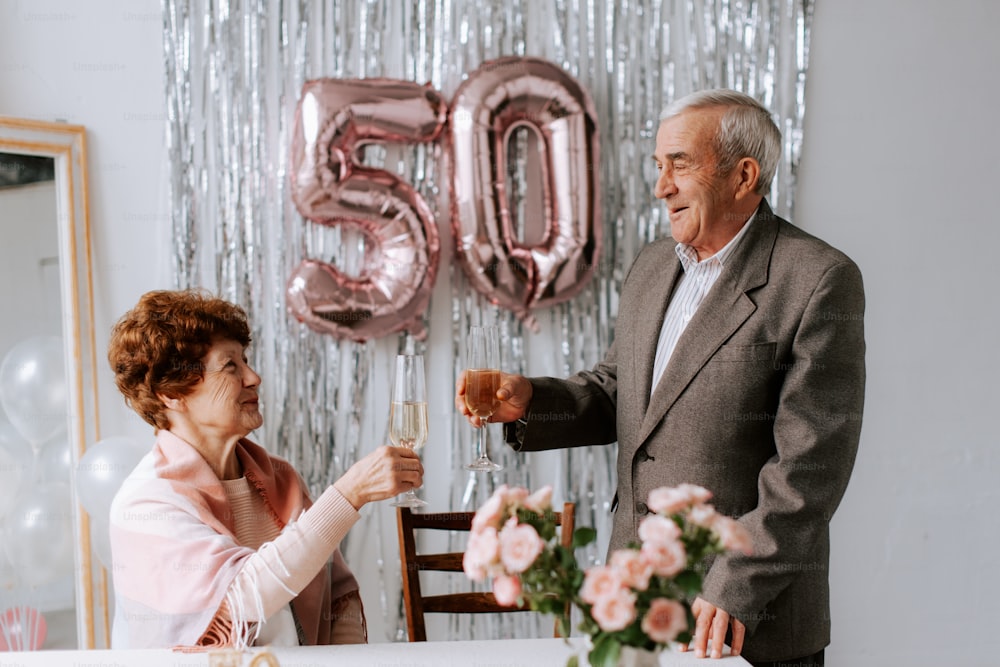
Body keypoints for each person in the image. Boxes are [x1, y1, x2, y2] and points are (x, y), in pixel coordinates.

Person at [456, 89, 864, 667]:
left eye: (680, 164)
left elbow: (811, 469)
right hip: (634, 606)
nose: (661, 186)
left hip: (745, 621)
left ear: (743, 175)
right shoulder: (652, 266)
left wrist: (733, 588)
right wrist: (530, 402)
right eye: (657, 166)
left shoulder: (819, 279)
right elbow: (620, 392)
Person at [107, 289, 423, 649]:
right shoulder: (145, 504)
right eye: (231, 366)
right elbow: (243, 597)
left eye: (246, 361)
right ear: (171, 393)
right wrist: (349, 494)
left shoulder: (281, 478)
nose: (253, 377)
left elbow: (339, 594)